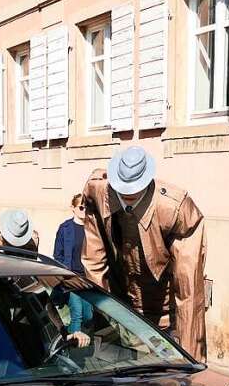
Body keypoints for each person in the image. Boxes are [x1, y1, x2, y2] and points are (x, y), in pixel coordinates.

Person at [80, 147, 207, 361]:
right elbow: (93, 263)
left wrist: (190, 362)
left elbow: (189, 292)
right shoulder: (98, 193)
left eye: (134, 192)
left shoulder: (176, 209)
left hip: (164, 319)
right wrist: (107, 319)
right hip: (121, 313)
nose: (128, 196)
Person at [53, 193, 94, 345]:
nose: (84, 211)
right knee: (76, 311)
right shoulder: (65, 228)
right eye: (81, 207)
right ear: (73, 208)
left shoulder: (92, 229)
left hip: (87, 279)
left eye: (87, 208)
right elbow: (57, 254)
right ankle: (71, 346)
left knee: (88, 314)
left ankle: (69, 333)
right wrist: (62, 275)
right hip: (71, 277)